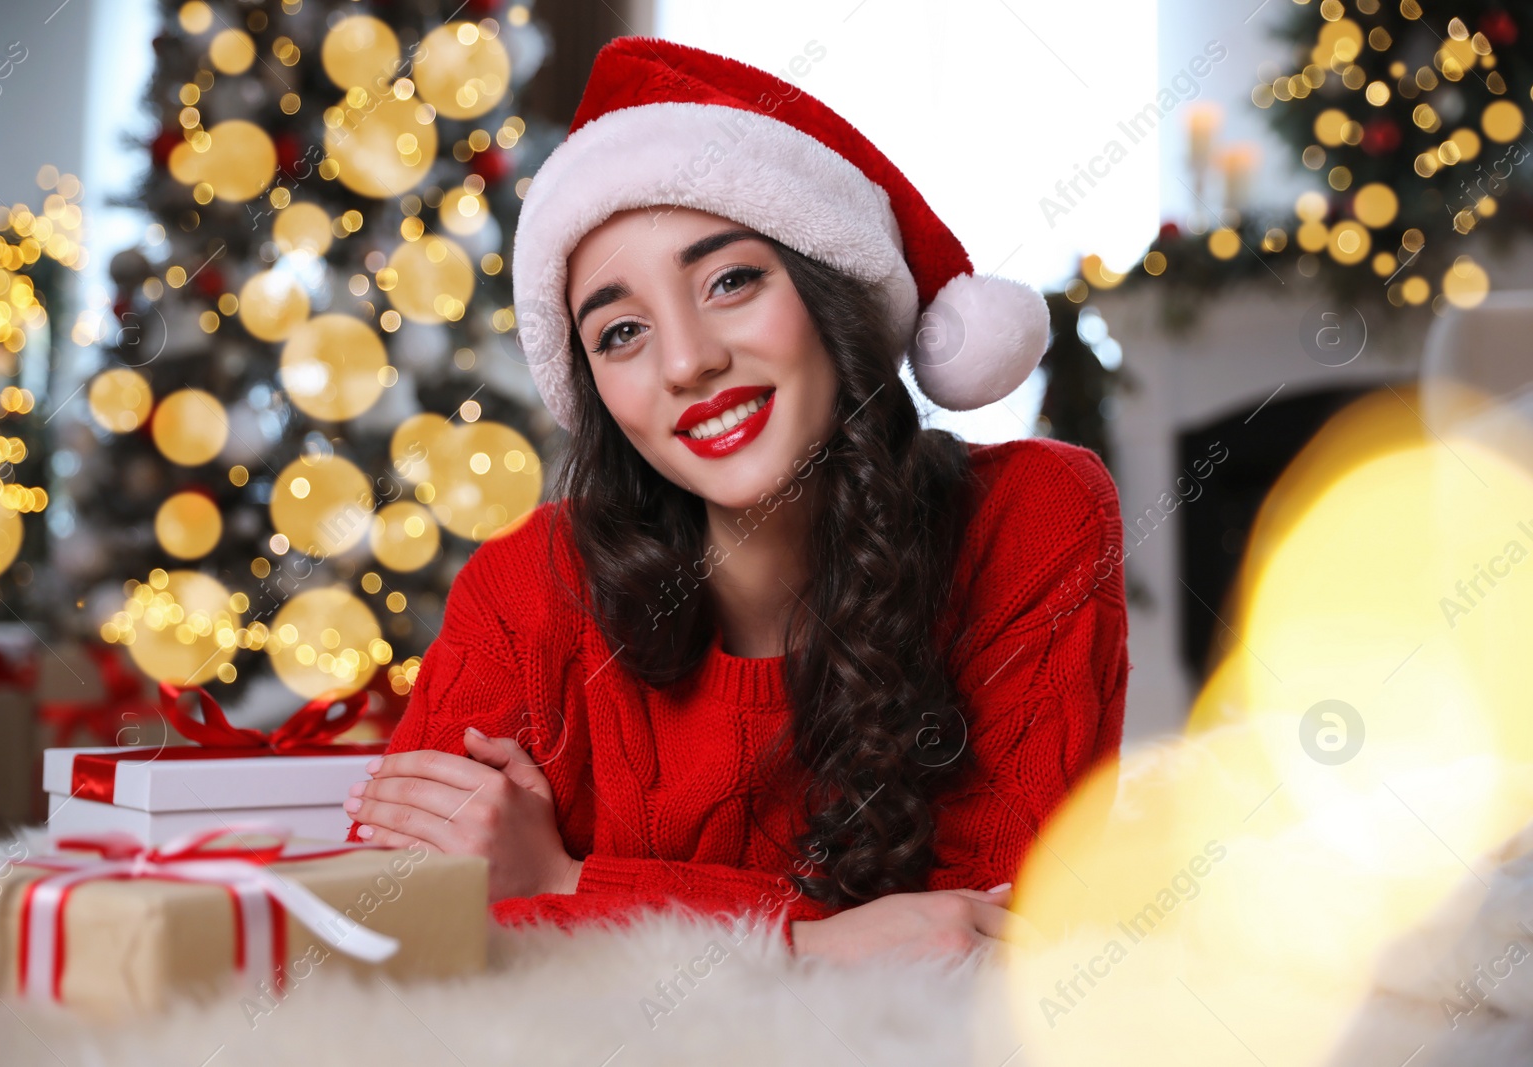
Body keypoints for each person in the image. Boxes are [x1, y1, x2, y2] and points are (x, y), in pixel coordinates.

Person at [344, 35, 1129, 965]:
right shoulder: (525, 593)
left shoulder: (1036, 519)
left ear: (829, 291)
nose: (687, 361)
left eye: (731, 280)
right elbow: (382, 932)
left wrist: (566, 885)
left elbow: (991, 940)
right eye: (622, 330)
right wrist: (819, 944)